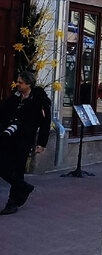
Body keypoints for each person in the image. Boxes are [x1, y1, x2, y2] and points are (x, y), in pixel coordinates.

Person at [0, 71, 51, 215]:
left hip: (25, 140)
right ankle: (23, 187)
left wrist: (41, 143)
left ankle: (13, 202)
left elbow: (45, 123)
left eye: (20, 82)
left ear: (28, 84)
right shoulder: (15, 97)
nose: (18, 84)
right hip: (9, 138)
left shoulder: (39, 100)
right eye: (17, 81)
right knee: (3, 167)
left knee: (18, 170)